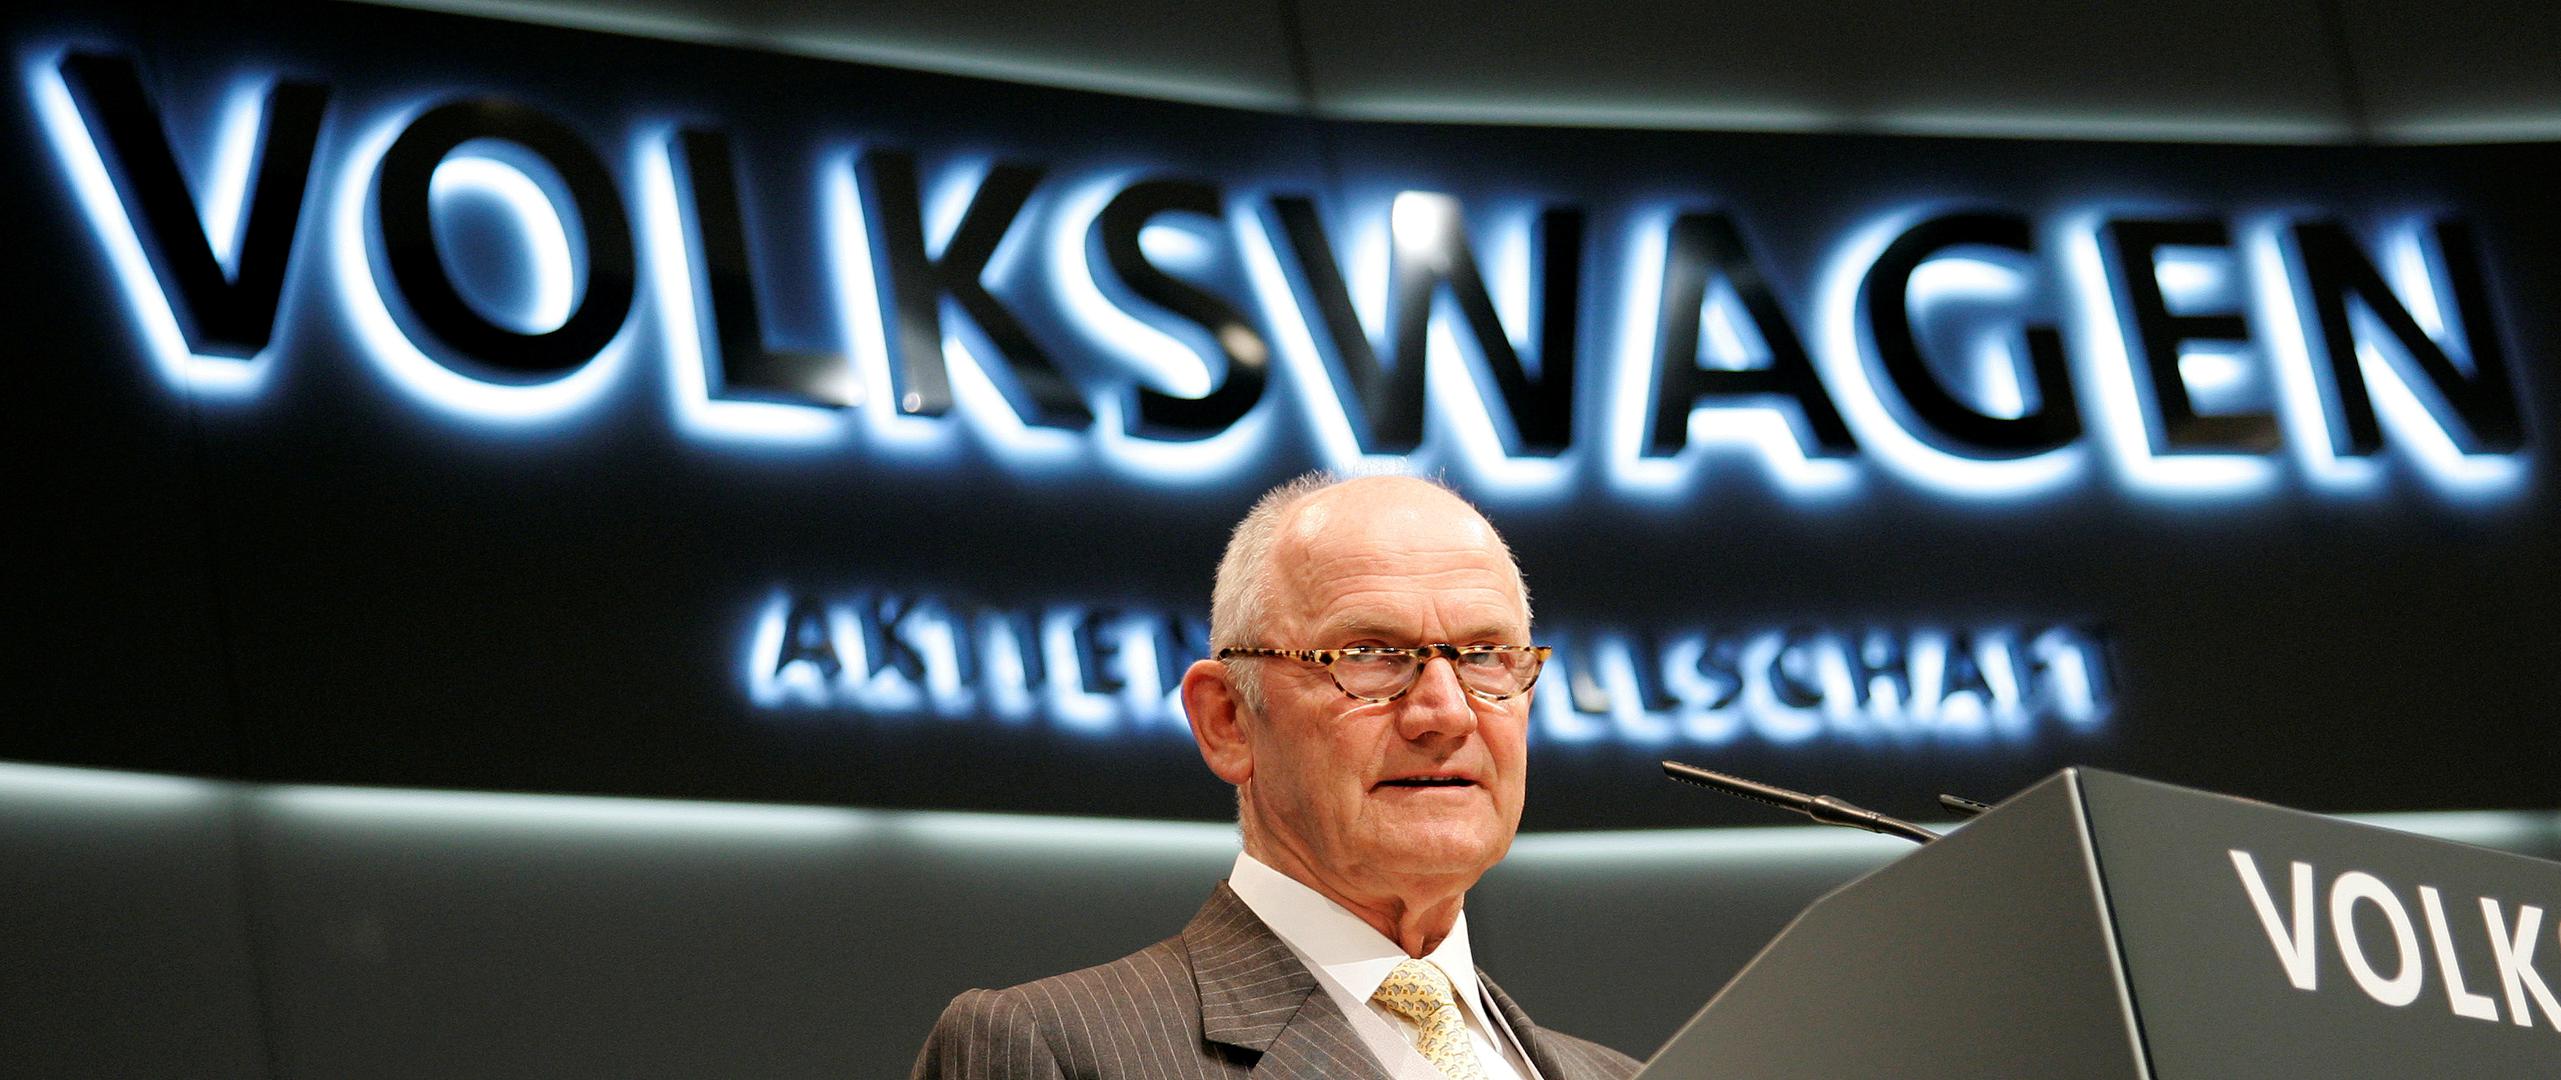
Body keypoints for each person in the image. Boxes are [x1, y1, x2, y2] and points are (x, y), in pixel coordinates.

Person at [910, 473, 1643, 1080]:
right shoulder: (1054, 1051)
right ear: (1227, 720)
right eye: (1369, 655)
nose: (1446, 713)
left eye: (1484, 656)